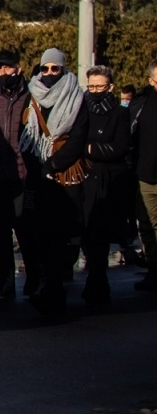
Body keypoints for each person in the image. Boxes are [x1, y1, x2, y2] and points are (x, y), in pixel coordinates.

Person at [19, 48, 89, 317]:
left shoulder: (77, 97)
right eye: (44, 68)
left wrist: (53, 163)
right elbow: (23, 134)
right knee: (39, 233)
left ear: (63, 69)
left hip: (64, 174)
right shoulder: (31, 95)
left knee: (63, 233)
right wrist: (36, 164)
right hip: (38, 176)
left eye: (55, 69)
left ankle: (54, 288)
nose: (49, 74)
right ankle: (48, 284)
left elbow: (77, 138)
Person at [0, 51, 34, 301]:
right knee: (1, 232)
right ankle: (6, 284)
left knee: (26, 229)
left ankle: (34, 278)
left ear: (18, 69)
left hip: (24, 172)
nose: (3, 73)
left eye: (8, 68)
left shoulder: (32, 97)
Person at [80, 66, 130, 309]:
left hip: (108, 179)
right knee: (86, 232)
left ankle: (97, 281)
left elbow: (120, 148)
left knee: (99, 232)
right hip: (84, 177)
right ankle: (95, 278)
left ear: (110, 87)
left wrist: (89, 149)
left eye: (99, 86)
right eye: (91, 86)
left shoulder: (120, 114)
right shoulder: (82, 110)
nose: (95, 91)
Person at [130, 59, 157, 292]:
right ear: (151, 81)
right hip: (146, 175)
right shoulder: (142, 102)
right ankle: (153, 271)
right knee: (147, 227)